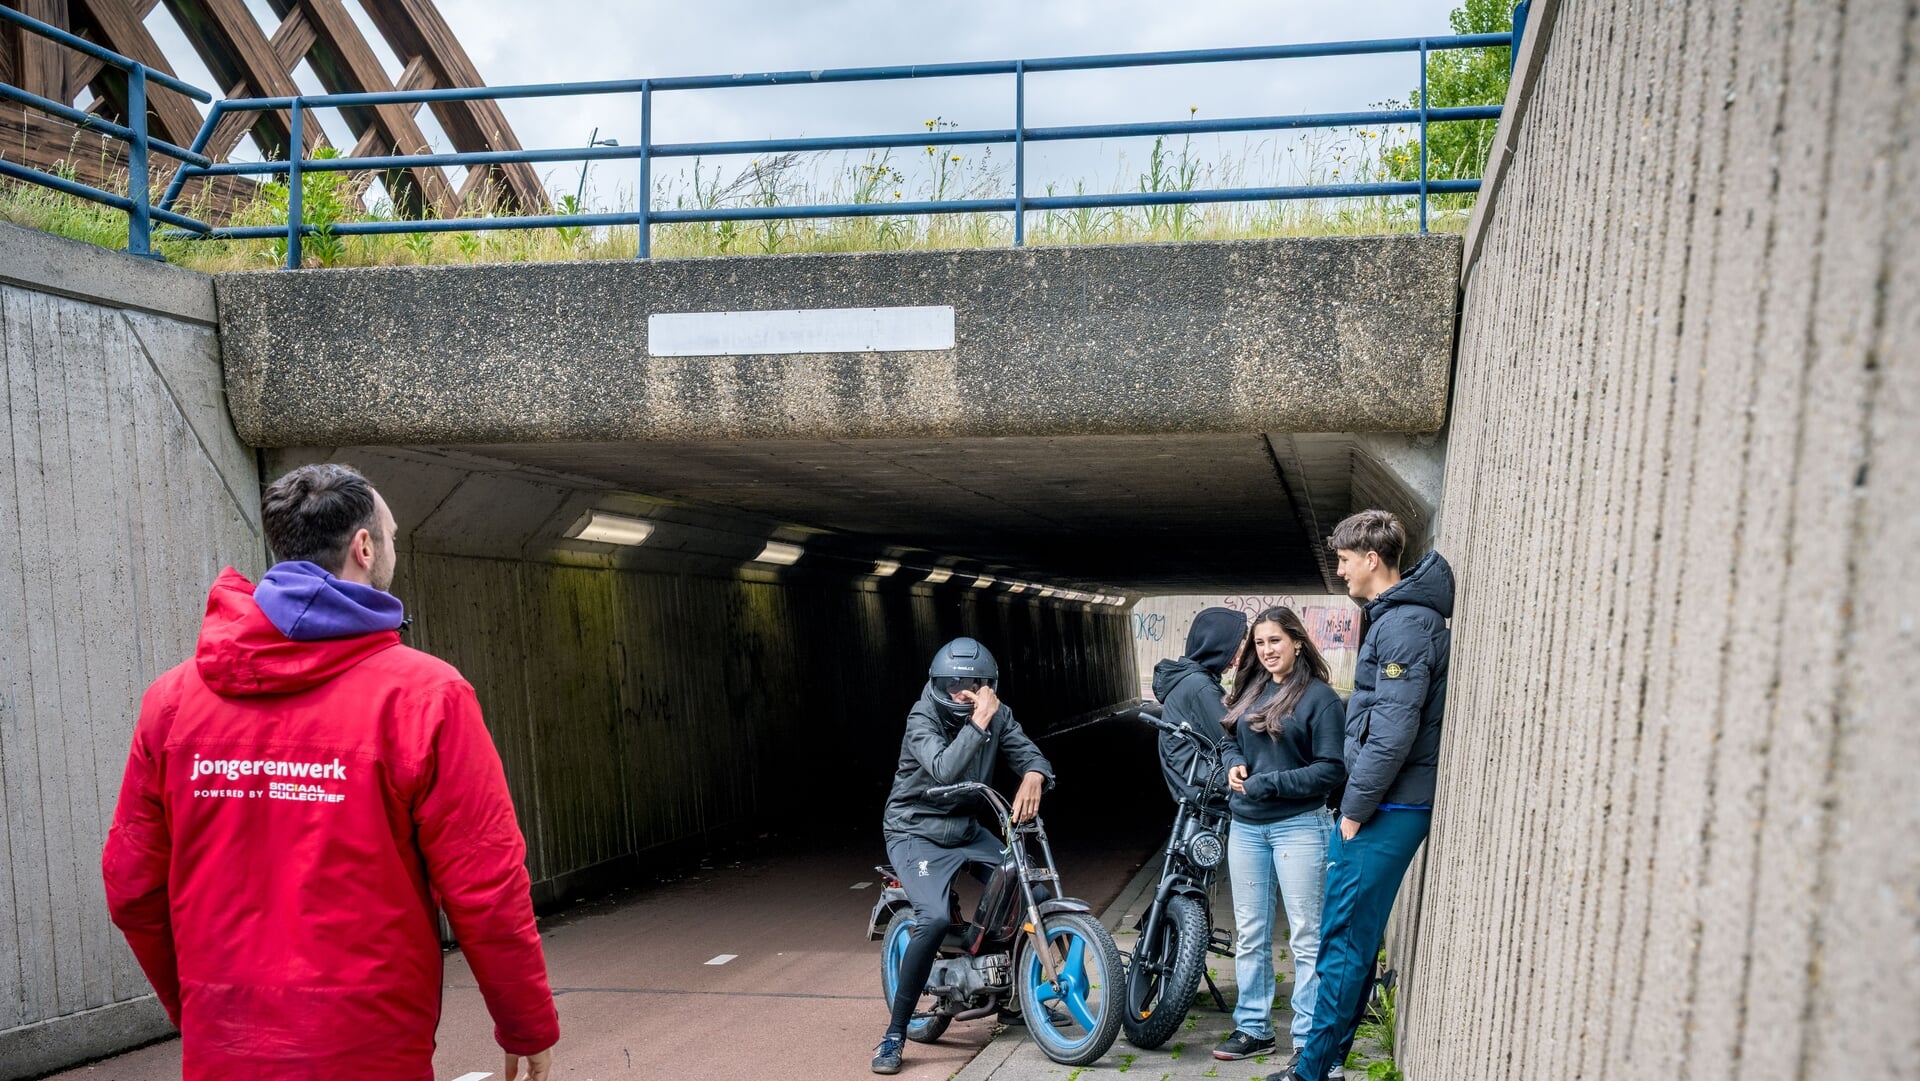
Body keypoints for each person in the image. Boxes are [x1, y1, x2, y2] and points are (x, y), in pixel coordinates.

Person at [101, 464, 559, 1081]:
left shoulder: (173, 701)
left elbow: (132, 885)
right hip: (369, 1047)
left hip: (224, 1046)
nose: (393, 548)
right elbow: (486, 883)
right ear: (363, 547)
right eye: (392, 536)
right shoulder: (426, 696)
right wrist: (525, 1022)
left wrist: (199, 1009)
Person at [1270, 510, 1453, 1081]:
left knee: (1342, 941)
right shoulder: (1400, 619)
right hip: (1391, 802)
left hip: (1387, 806)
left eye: (1345, 561)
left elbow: (1394, 730)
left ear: (1372, 559)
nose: (1341, 572)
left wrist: (1353, 810)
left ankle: (1310, 1072)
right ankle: (1329, 1063)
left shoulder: (1402, 626)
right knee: (1354, 939)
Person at [872, 637, 1053, 1075]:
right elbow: (944, 770)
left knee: (1032, 886)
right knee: (932, 919)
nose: (961, 691)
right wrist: (979, 722)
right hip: (915, 829)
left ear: (987, 684)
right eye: (952, 682)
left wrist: (1033, 774)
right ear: (937, 682)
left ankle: (1009, 999)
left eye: (972, 683)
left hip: (966, 828)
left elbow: (1029, 752)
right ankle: (894, 1034)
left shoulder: (998, 714)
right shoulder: (922, 715)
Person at [1213, 607, 1347, 1073]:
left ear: (1297, 641)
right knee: (1250, 934)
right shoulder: (1251, 688)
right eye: (1260, 643)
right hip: (1247, 827)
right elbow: (1230, 734)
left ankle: (1309, 1042)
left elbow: (1333, 770)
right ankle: (1254, 1027)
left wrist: (1271, 784)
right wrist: (1232, 760)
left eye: (1275, 641)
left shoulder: (1320, 699)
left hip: (1300, 826)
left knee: (1307, 937)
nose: (1267, 651)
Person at [1150, 606, 1248, 808]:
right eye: (1235, 649)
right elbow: (1233, 737)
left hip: (1191, 780)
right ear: (1217, 645)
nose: (1237, 660)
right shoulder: (1200, 687)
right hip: (1208, 782)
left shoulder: (1190, 680)